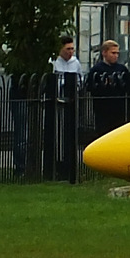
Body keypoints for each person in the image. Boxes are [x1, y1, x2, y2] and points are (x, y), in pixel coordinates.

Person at [46, 36, 82, 180]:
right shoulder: (53, 62)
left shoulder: (76, 63)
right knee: (57, 133)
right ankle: (56, 165)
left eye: (72, 49)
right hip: (56, 101)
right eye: (68, 49)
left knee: (70, 132)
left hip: (71, 101)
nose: (71, 52)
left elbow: (80, 79)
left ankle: (69, 164)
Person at [87, 39, 130, 136]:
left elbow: (128, 87)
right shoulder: (97, 69)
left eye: (117, 53)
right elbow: (91, 87)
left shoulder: (122, 69)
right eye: (113, 53)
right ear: (104, 53)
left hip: (119, 108)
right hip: (102, 109)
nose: (116, 56)